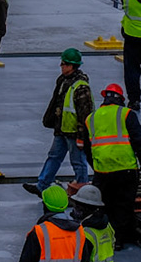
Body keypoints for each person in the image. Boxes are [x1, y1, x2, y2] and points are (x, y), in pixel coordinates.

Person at [84, 83, 141, 246]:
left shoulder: (91, 118)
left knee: (104, 204)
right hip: (125, 169)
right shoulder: (126, 114)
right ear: (121, 99)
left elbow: (87, 148)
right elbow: (138, 139)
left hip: (102, 171)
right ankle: (119, 239)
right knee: (123, 205)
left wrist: (96, 166)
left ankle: (104, 238)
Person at [24, 48, 93, 194]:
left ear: (71, 66)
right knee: (54, 157)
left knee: (78, 163)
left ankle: (82, 192)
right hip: (62, 129)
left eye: (64, 63)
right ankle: (42, 185)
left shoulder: (81, 87)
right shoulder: (63, 81)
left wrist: (81, 137)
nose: (61, 66)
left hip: (73, 132)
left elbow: (85, 115)